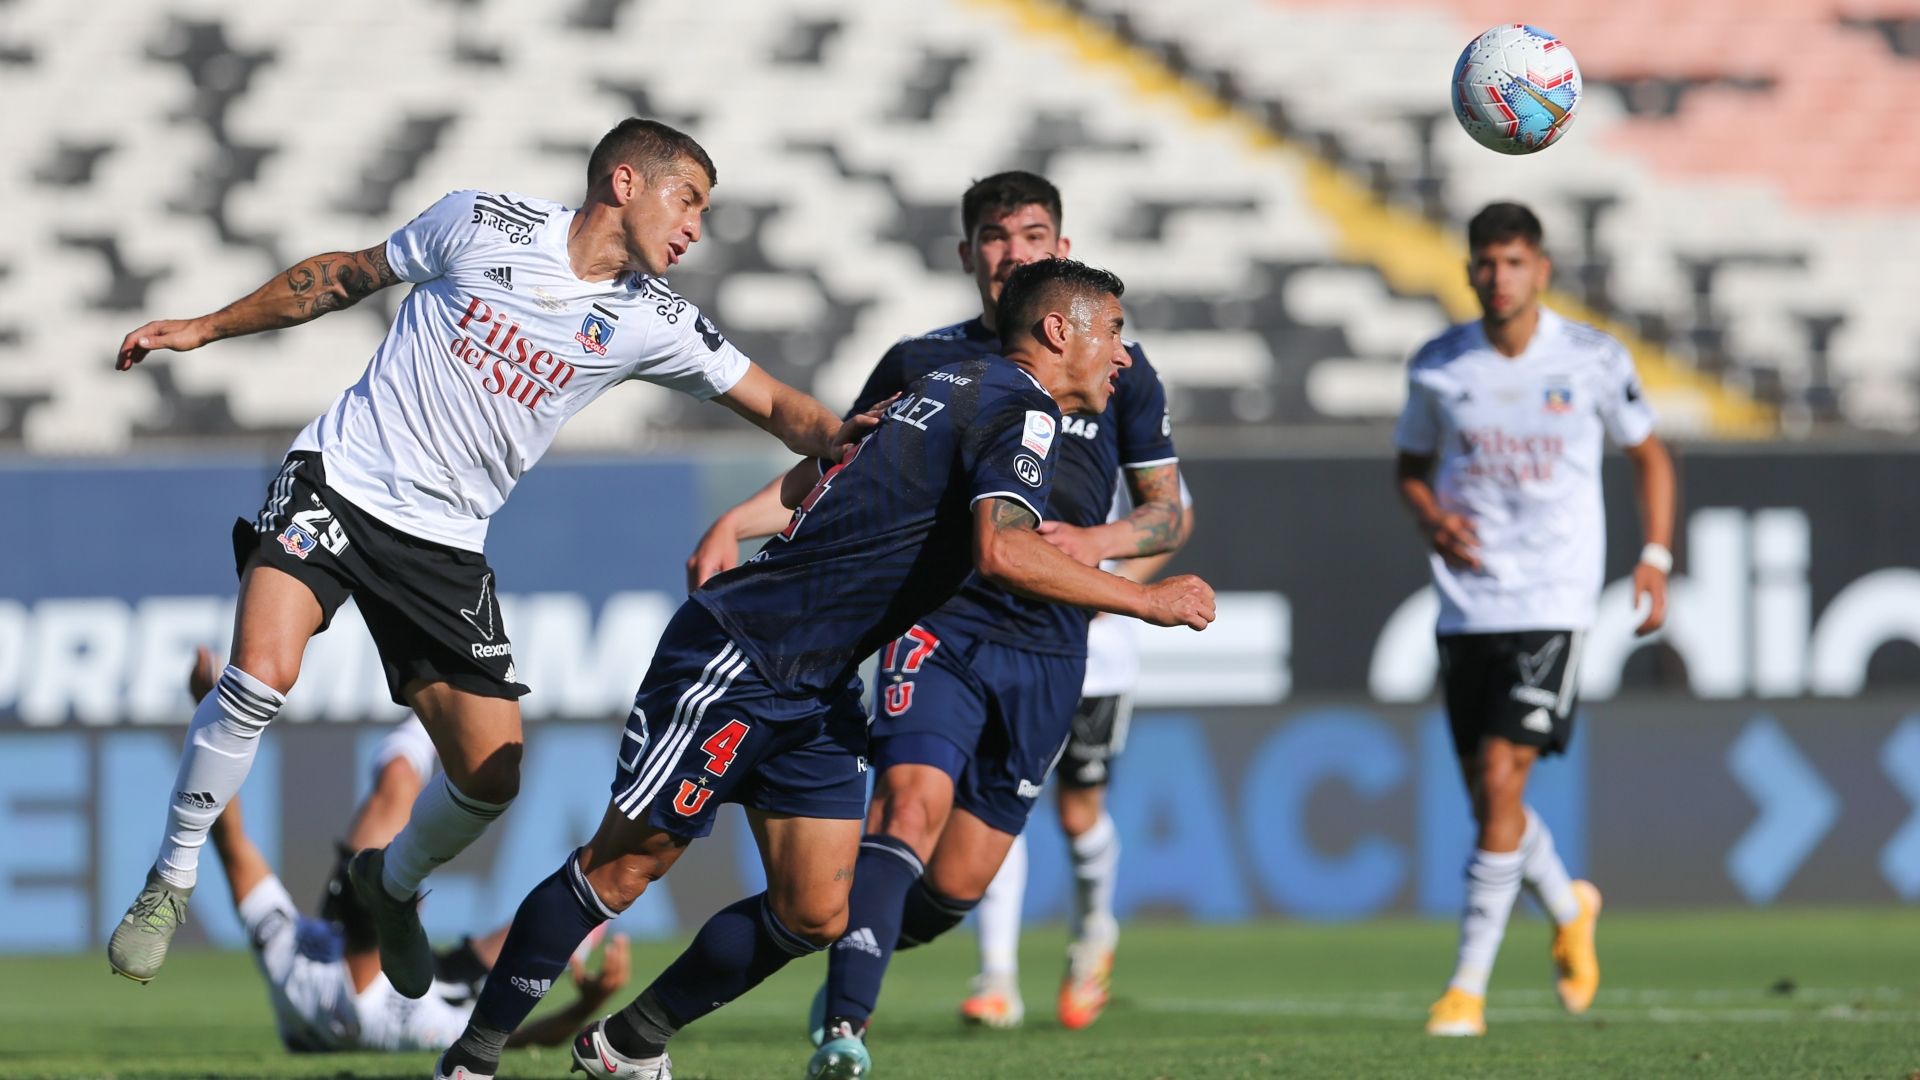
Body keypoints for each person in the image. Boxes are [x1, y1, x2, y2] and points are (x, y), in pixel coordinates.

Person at [105, 117, 874, 996]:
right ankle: (171, 877)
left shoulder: (652, 319)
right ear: (625, 184)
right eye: (688, 200)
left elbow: (776, 403)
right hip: (340, 479)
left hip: (444, 542)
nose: (696, 226)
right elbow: (345, 276)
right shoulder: (478, 221)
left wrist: (847, 435)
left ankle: (388, 886)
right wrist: (203, 328)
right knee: (260, 676)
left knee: (492, 773)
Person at [431, 258, 1215, 1080]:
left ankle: (628, 1045)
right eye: (1115, 334)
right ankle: (473, 1061)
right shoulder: (1019, 409)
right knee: (624, 867)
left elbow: (840, 460)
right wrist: (1146, 601)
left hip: (821, 684)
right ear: (1061, 331)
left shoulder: (950, 383)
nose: (1124, 357)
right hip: (742, 654)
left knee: (814, 910)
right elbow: (1004, 550)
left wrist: (741, 517)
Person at [685, 171, 1189, 1045]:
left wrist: (1094, 547)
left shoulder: (1120, 372)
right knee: (906, 810)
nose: (1011, 252)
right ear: (968, 254)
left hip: (1052, 644)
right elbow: (839, 473)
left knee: (953, 889)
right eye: (994, 236)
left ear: (1059, 252)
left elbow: (1168, 513)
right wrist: (742, 517)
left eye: (1030, 234)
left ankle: (854, 948)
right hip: (942, 623)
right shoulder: (923, 361)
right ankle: (844, 1027)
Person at [1393, 202, 1676, 1037]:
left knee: (1506, 777)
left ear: (1541, 269)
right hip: (1468, 601)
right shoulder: (1439, 365)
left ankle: (1466, 988)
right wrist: (1431, 518)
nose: (1499, 277)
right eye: (1485, 262)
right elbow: (1410, 467)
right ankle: (1568, 901)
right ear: (1470, 270)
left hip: (1554, 597)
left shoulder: (1591, 358)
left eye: (1514, 261)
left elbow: (1650, 453)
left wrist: (1654, 559)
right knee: (1491, 796)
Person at [184, 648, 631, 1052]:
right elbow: (513, 1040)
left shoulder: (295, 962)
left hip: (352, 991)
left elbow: (232, 844)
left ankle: (439, 702)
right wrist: (585, 1005)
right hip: (441, 983)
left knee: (397, 779)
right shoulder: (415, 1022)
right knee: (574, 908)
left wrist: (215, 720)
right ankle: (459, 697)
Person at [961, 479, 1191, 1032]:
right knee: (999, 808)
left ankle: (1093, 937)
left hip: (1099, 662)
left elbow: (1174, 516)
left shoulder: (1123, 418)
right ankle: (997, 977)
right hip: (1012, 644)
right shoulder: (1011, 415)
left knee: (1077, 815)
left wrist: (1112, 588)